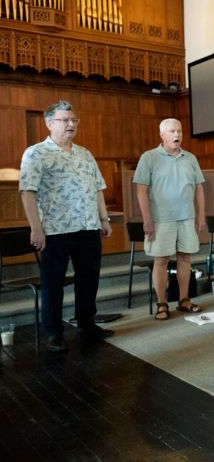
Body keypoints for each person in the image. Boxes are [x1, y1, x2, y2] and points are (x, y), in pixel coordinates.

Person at [19, 100, 114, 352]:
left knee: (89, 279)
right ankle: (54, 332)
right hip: (55, 229)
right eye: (65, 120)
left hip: (87, 227)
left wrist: (103, 219)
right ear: (49, 123)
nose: (71, 124)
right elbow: (27, 193)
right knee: (53, 282)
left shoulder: (85, 153)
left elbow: (97, 189)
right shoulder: (36, 153)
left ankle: (86, 324)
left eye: (74, 120)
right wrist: (36, 228)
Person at [134, 118, 206, 320]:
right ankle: (162, 303)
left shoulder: (190, 158)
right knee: (161, 260)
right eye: (172, 131)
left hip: (186, 217)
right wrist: (147, 219)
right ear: (162, 135)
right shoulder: (149, 158)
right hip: (160, 219)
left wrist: (200, 214)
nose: (177, 135)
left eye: (180, 131)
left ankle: (184, 300)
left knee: (185, 258)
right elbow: (141, 190)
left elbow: (199, 188)